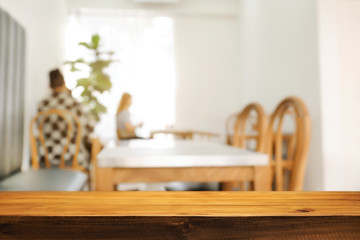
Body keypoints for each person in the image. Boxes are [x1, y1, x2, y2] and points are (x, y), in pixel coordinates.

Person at [37, 69, 95, 168]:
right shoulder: (73, 103)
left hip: (46, 156)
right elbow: (89, 127)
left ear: (49, 86)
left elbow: (38, 129)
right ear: (64, 84)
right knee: (93, 147)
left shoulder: (42, 104)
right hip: (71, 157)